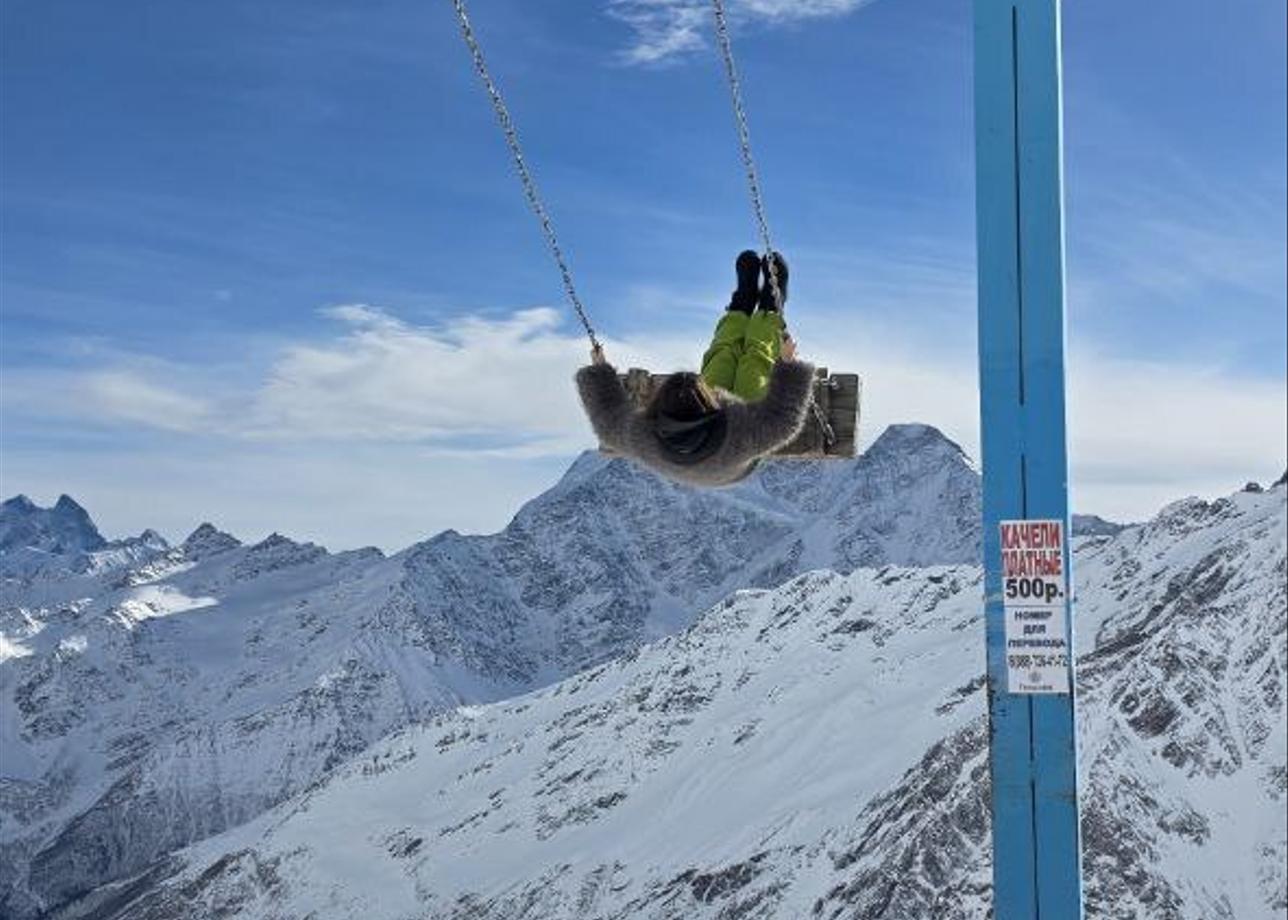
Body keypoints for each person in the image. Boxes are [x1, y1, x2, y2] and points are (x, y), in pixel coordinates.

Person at [575, 250, 816, 487]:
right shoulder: (741, 436)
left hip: (706, 449)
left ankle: (743, 302)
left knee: (721, 355)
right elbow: (782, 421)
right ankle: (769, 305)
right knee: (755, 361)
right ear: (710, 404)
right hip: (731, 465)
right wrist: (788, 365)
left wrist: (599, 372)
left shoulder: (646, 438)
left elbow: (608, 424)